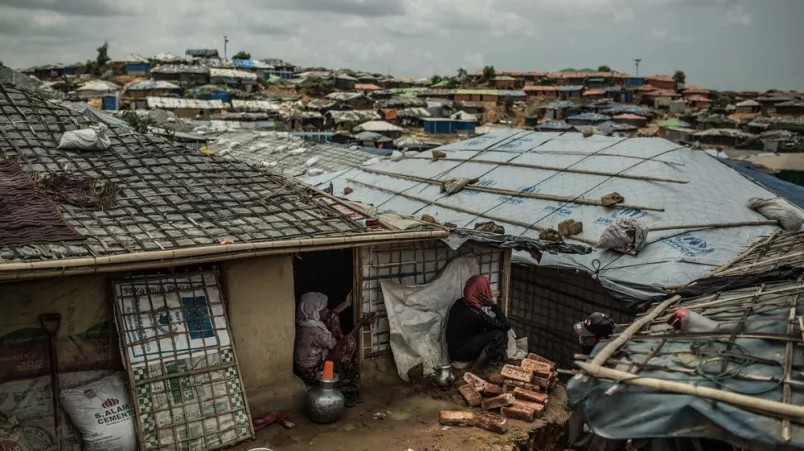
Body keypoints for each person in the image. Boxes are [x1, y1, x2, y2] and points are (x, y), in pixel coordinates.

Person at [294, 292, 374, 407]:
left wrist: (346, 304)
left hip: (307, 366)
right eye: (323, 309)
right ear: (315, 311)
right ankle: (346, 382)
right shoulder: (315, 331)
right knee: (349, 343)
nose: (326, 310)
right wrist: (359, 325)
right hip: (314, 373)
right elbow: (341, 344)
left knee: (333, 316)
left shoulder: (304, 320)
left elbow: (330, 315)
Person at [445, 275, 511, 370]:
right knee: (499, 333)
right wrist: (494, 305)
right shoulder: (474, 313)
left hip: (456, 349)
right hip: (461, 353)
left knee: (496, 329)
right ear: (480, 292)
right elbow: (506, 325)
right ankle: (477, 368)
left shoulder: (460, 303)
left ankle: (496, 359)